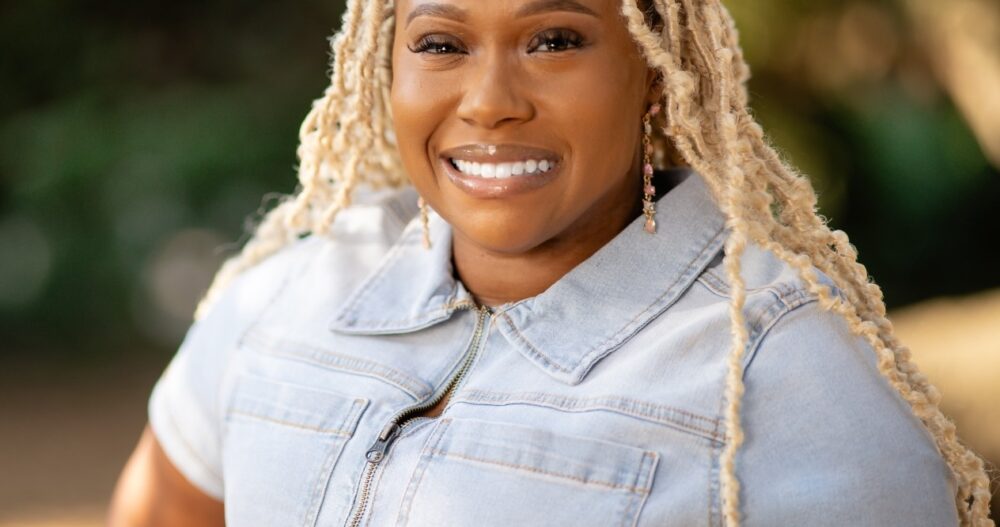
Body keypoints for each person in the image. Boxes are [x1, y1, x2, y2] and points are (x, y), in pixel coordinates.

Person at [107, 0, 995, 526]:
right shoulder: (287, 296)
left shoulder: (783, 380)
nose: (489, 102)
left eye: (555, 40)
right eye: (441, 43)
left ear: (656, 73)